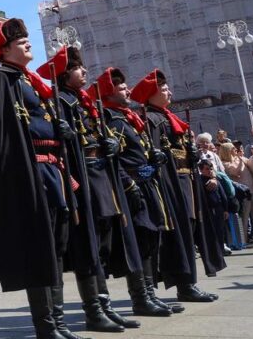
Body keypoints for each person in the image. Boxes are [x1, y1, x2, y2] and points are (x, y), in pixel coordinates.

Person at [0, 18, 72, 339]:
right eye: (21, 41)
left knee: (56, 247)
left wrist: (61, 131)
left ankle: (58, 321)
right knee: (38, 249)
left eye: (29, 39)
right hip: (29, 174)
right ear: (4, 50)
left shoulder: (31, 82)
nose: (29, 43)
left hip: (51, 171)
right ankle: (46, 327)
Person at [40, 47, 138, 333]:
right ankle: (93, 310)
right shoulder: (60, 101)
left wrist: (110, 146)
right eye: (77, 68)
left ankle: (104, 305)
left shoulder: (83, 101)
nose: (84, 72)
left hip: (99, 175)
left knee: (102, 245)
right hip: (82, 179)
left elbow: (96, 133)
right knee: (87, 245)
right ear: (64, 72)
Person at [97, 67, 180, 318]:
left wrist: (153, 160)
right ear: (110, 94)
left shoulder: (128, 118)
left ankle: (150, 295)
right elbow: (117, 161)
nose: (128, 91)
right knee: (140, 242)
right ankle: (140, 298)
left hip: (146, 182)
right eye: (122, 88)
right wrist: (130, 183)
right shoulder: (112, 119)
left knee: (150, 240)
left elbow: (139, 154)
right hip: (134, 186)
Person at [133, 69, 223, 298]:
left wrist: (192, 154)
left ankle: (189, 283)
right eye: (163, 89)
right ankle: (185, 284)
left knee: (190, 232)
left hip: (186, 182)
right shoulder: (151, 119)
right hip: (171, 184)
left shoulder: (169, 117)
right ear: (152, 94)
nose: (169, 92)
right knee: (179, 235)